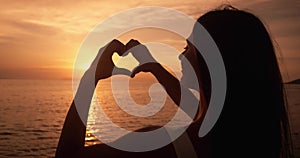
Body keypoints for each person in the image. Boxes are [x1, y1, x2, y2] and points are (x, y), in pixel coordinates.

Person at [55, 5, 293, 158]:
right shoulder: (250, 138)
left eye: (189, 47)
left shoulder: (160, 145)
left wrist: (91, 77)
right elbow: (195, 107)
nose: (181, 55)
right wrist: (155, 67)